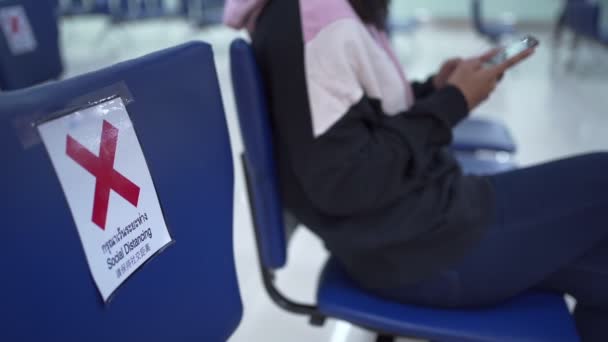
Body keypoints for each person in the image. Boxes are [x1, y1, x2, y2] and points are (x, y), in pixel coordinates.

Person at [224, 0, 608, 340]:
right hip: (422, 249)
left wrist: (435, 90)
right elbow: (343, 181)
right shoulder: (313, 21)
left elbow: (362, 120)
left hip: (410, 231)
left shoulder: (317, 14)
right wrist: (452, 101)